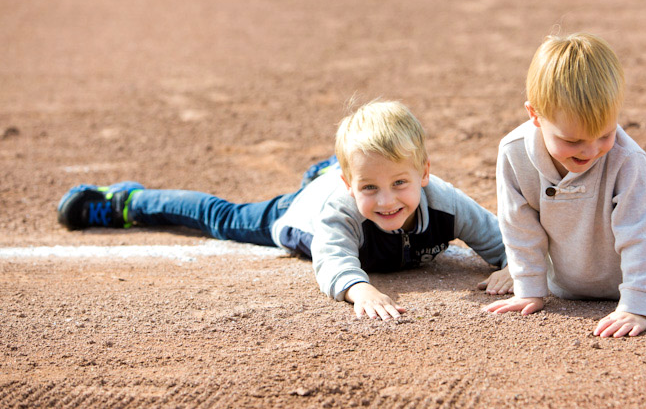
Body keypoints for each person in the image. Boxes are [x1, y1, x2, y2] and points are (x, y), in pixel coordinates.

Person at [58, 100, 509, 320]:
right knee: (225, 218)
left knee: (364, 174)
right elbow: (333, 260)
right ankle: (127, 201)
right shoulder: (339, 206)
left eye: (400, 184)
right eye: (370, 187)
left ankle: (334, 163)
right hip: (300, 208)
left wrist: (514, 265)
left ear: (424, 174)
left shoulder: (445, 202)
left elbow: (501, 236)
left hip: (340, 174)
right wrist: (359, 290)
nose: (388, 201)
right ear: (350, 185)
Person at [485, 32, 646, 337]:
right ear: (535, 115)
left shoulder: (627, 159)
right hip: (590, 243)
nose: (589, 151)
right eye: (572, 140)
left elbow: (640, 234)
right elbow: (517, 225)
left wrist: (635, 305)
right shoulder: (513, 153)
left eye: (604, 135)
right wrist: (529, 289)